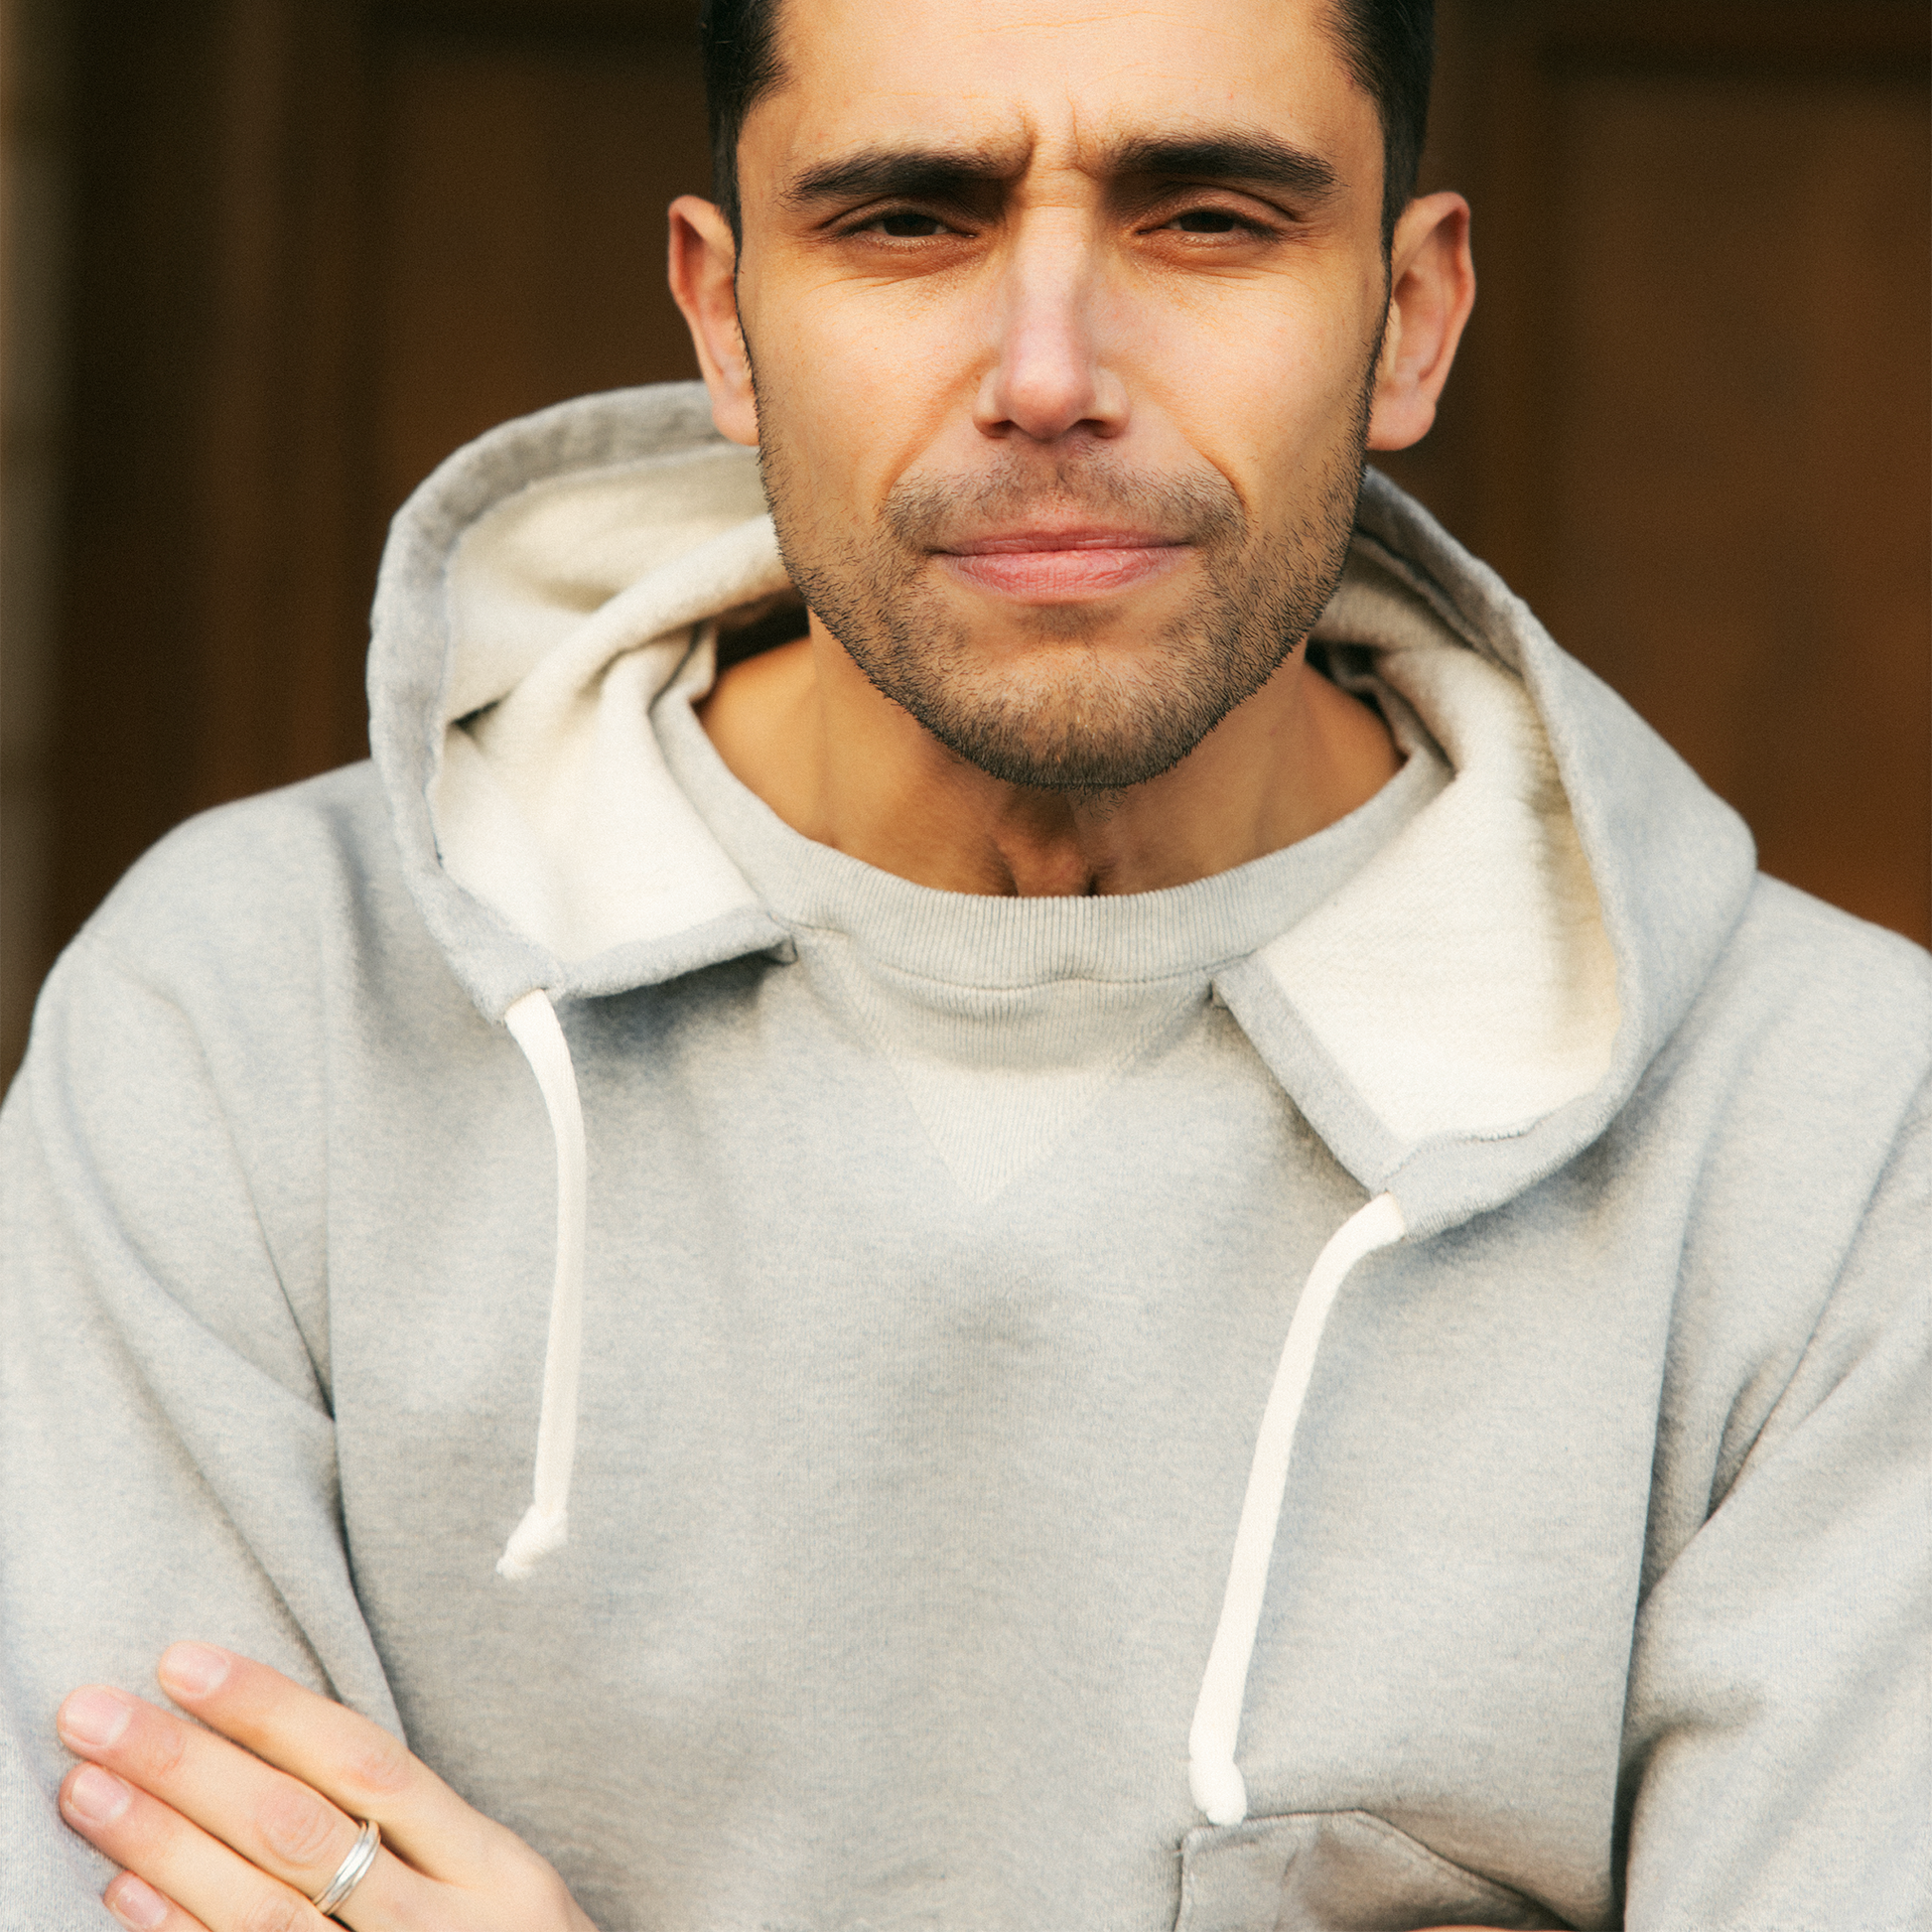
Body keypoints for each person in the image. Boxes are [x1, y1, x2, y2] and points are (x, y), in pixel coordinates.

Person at [2, 0, 1925, 1926]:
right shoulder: (247, 1017)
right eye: (908, 219)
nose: (1048, 375)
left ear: (1407, 315)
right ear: (724, 317)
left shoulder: (1832, 1140)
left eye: (1208, 218)